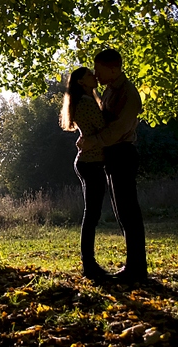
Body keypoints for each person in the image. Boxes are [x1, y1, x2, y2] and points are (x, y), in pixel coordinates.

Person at [77, 48, 147, 283]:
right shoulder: (108, 92)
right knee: (122, 213)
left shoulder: (128, 93)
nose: (95, 73)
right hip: (112, 155)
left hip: (123, 153)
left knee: (129, 212)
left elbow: (116, 130)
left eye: (99, 69)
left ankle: (137, 269)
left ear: (113, 69)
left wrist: (90, 143)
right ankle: (133, 266)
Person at [60, 66, 111, 282]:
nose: (95, 76)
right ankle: (89, 265)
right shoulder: (87, 103)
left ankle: (89, 263)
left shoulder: (84, 101)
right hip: (91, 162)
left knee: (92, 214)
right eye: (90, 75)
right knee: (92, 215)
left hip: (89, 161)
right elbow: (104, 128)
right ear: (81, 81)